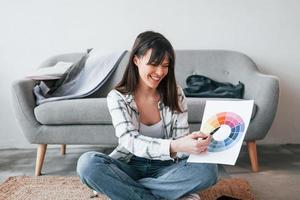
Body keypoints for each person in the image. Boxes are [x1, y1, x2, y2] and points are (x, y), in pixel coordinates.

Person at [77, 31, 218, 200]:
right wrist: (175, 145)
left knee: (208, 169)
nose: (160, 72)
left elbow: (181, 145)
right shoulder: (117, 97)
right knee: (88, 164)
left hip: (167, 168)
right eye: (154, 64)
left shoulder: (176, 94)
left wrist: (193, 145)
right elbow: (129, 140)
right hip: (130, 165)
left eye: (165, 65)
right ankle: (170, 193)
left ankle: (126, 191)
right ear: (136, 60)